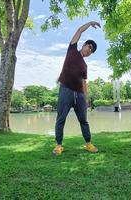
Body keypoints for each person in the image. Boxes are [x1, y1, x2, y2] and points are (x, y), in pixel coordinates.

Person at [53, 21, 101, 155]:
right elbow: (79, 30)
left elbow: (84, 82)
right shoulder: (72, 49)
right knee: (61, 119)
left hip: (79, 94)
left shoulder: (85, 66)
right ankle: (58, 145)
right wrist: (90, 23)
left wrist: (86, 98)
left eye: (91, 51)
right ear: (84, 45)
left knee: (84, 120)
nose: (89, 51)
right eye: (89, 47)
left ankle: (88, 144)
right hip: (66, 90)